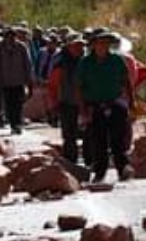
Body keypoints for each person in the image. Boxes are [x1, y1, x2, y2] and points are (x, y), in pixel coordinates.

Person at [77, 30, 133, 182]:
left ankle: (123, 169)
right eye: (100, 43)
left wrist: (131, 101)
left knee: (118, 139)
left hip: (114, 103)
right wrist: (82, 110)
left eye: (106, 43)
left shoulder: (116, 60)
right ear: (93, 45)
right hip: (94, 106)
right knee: (98, 140)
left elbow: (126, 81)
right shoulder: (85, 63)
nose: (103, 46)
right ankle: (100, 172)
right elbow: (80, 87)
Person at [47, 34, 87, 164]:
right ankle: (71, 160)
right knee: (69, 134)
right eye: (76, 45)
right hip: (66, 103)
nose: (79, 48)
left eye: (81, 45)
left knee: (88, 133)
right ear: (69, 46)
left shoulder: (87, 62)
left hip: (86, 103)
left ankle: (89, 159)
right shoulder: (60, 63)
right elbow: (53, 85)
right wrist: (53, 104)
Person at [0, 26, 34, 135]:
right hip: (6, 82)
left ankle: (17, 124)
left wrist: (29, 81)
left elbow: (28, 64)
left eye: (12, 36)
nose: (10, 39)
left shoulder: (22, 47)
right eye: (8, 36)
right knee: (9, 105)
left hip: (19, 81)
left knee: (18, 104)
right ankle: (13, 124)